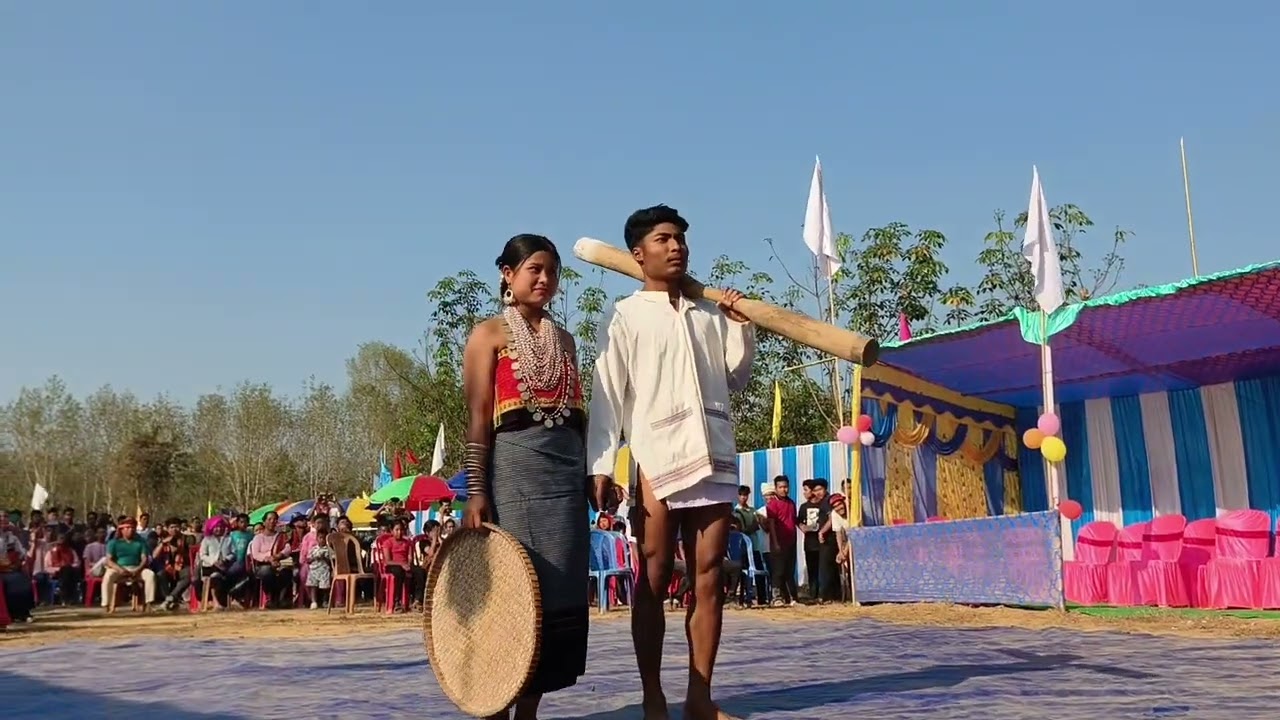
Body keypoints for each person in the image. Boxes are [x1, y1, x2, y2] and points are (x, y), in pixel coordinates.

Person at [587, 204, 752, 720]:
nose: (676, 246)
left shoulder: (708, 313)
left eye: (680, 238)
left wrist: (741, 328)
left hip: (715, 454)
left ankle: (700, 696)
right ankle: (653, 695)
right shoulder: (623, 315)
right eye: (663, 239)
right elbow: (607, 394)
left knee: (707, 576)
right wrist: (601, 464)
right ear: (639, 254)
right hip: (656, 458)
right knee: (653, 578)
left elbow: (736, 378)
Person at [461, 233, 590, 720]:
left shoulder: (566, 340)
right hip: (514, 477)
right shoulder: (487, 334)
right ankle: (495, 706)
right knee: (514, 595)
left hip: (565, 480)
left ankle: (529, 713)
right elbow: (477, 419)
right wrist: (476, 490)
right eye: (534, 269)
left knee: (557, 595)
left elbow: (578, 416)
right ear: (507, 275)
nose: (544, 279)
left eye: (553, 271)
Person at [102, 517, 157, 609]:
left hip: (137, 568)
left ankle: (149, 603)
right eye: (127, 528)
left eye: (132, 528)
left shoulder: (140, 542)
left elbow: (144, 559)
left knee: (150, 575)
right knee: (108, 577)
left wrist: (138, 569)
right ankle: (106, 604)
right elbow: (109, 560)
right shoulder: (113, 543)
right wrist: (120, 569)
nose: (130, 530)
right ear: (122, 530)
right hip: (118, 569)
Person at [765, 475, 798, 606]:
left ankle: (791, 597)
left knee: (789, 570)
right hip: (778, 542)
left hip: (791, 541)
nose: (784, 490)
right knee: (778, 570)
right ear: (776, 488)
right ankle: (776, 597)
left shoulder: (791, 503)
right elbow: (771, 524)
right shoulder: (773, 504)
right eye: (781, 487)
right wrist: (775, 542)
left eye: (786, 487)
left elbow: (794, 520)